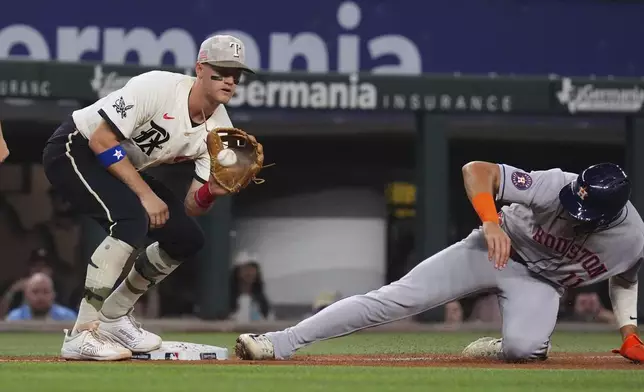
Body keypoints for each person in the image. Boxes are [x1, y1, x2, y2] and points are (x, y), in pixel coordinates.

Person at [235, 162, 644, 363]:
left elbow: (624, 279)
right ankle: (280, 341)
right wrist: (490, 222)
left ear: (611, 215)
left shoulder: (630, 238)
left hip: (541, 283)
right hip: (492, 250)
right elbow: (476, 171)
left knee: (523, 350)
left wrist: (628, 331)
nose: (572, 211)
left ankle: (508, 344)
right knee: (394, 300)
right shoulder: (557, 185)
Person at [42, 34, 255, 361]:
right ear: (200, 69)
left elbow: (189, 208)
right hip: (75, 147)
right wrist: (144, 195)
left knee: (186, 238)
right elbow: (101, 140)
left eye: (235, 74)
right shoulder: (158, 87)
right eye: (221, 71)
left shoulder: (220, 131)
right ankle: (82, 333)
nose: (229, 80)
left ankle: (114, 316)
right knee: (131, 220)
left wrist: (211, 192)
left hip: (119, 165)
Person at [5, 272, 77, 321]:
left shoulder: (68, 317)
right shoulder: (15, 318)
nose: (41, 297)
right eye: (35, 292)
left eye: (46, 292)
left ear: (53, 295)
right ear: (26, 294)